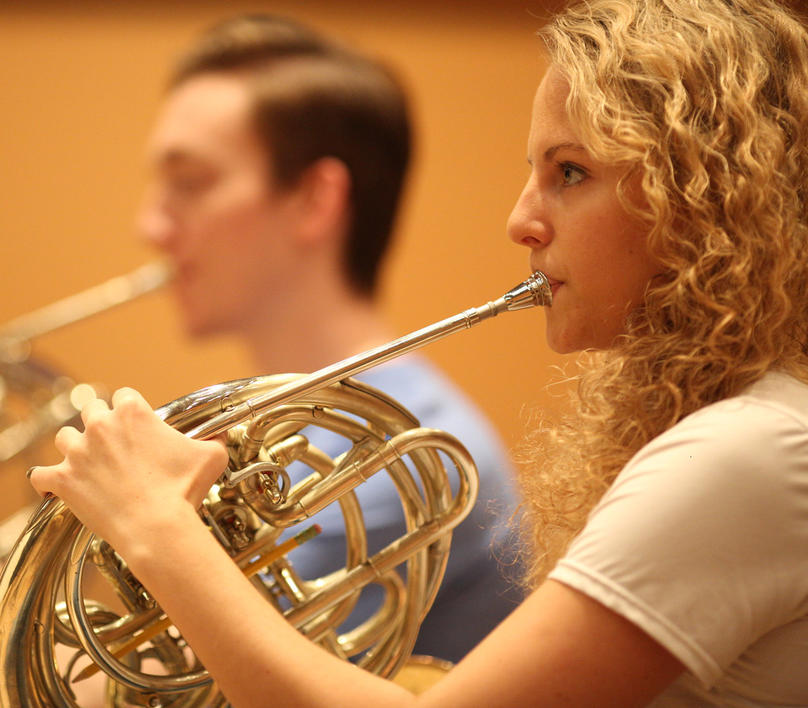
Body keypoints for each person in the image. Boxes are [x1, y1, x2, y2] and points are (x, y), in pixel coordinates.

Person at [29, 0, 808, 704]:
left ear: (701, 198)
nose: (520, 221)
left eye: (570, 171)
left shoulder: (746, 451)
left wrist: (156, 528)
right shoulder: (726, 437)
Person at [133, 14, 520, 663]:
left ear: (313, 200)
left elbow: (184, 688)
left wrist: (134, 521)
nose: (149, 224)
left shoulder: (399, 460)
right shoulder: (260, 425)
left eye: (190, 182)